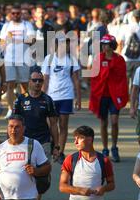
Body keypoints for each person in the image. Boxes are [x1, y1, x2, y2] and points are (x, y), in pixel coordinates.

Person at [0, 114, 51, 200]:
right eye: (11, 126)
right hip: (5, 198)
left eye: (17, 127)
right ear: (7, 128)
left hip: (29, 197)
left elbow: (48, 167)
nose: (13, 130)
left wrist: (36, 171)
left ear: (23, 128)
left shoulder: (34, 144)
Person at [42, 35, 81, 164]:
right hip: (52, 96)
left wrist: (78, 98)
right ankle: (54, 145)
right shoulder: (49, 59)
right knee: (51, 125)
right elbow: (45, 79)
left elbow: (76, 79)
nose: (66, 46)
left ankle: (60, 152)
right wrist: (42, 97)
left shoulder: (71, 59)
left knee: (63, 125)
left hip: (66, 96)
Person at [89, 34, 128, 161]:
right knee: (104, 122)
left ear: (112, 46)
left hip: (114, 95)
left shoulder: (119, 60)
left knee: (115, 122)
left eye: (107, 44)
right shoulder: (98, 58)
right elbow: (94, 78)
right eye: (103, 44)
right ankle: (105, 148)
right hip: (102, 95)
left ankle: (114, 147)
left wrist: (109, 69)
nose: (104, 47)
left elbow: (122, 78)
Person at [59, 125, 115, 200]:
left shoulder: (104, 160)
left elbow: (111, 184)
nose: (76, 142)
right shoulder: (70, 159)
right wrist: (79, 190)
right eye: (75, 139)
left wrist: (104, 188)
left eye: (79, 138)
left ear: (89, 139)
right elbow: (62, 186)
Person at [13, 71, 59, 162]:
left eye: (40, 80)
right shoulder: (21, 99)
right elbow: (13, 123)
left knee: (45, 171)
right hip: (24, 141)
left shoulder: (47, 99)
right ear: (29, 81)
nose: (37, 83)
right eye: (34, 80)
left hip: (43, 141)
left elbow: (53, 125)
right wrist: (10, 143)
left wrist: (56, 146)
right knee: (24, 171)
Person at [0, 5, 35, 118]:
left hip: (23, 59)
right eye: (13, 13)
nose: (15, 15)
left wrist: (16, 39)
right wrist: (3, 48)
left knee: (24, 85)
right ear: (10, 14)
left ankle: (25, 108)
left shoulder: (27, 25)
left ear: (21, 14)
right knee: (10, 84)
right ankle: (11, 109)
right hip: (9, 59)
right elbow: (1, 40)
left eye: (17, 13)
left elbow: (32, 40)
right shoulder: (6, 25)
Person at [118, 9, 140, 92]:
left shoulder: (125, 27)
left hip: (126, 58)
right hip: (139, 58)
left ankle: (124, 99)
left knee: (125, 80)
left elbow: (120, 42)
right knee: (136, 82)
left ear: (132, 17)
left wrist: (120, 55)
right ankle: (134, 100)